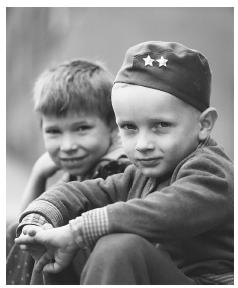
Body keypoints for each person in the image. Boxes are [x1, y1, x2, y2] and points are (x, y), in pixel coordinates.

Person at [15, 41, 234, 285]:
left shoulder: (212, 173)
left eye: (161, 125)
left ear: (204, 125)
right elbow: (86, 192)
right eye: (129, 127)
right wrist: (39, 221)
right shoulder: (140, 174)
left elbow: (164, 212)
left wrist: (77, 231)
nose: (142, 144)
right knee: (49, 248)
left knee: (118, 247)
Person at [6, 59, 130, 285]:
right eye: (54, 131)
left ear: (112, 125)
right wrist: (38, 174)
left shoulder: (116, 171)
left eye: (82, 128)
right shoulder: (78, 171)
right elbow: (23, 229)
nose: (67, 146)